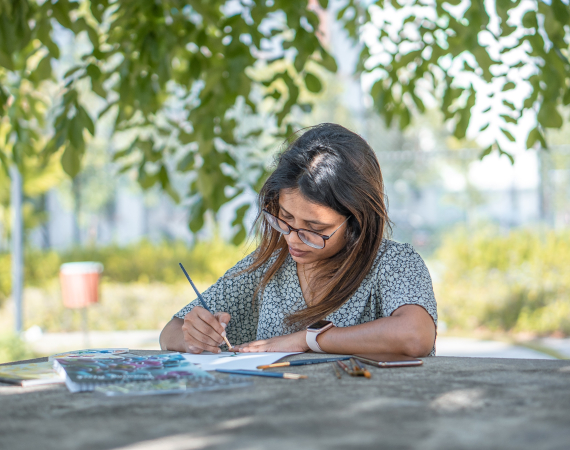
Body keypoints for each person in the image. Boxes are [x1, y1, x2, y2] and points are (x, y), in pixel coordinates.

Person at [160, 123, 437, 356]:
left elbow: (415, 335)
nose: (293, 239)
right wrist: (195, 336)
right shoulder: (267, 269)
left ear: (357, 222)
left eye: (314, 228)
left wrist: (308, 340)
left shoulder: (393, 263)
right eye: (285, 218)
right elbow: (169, 333)